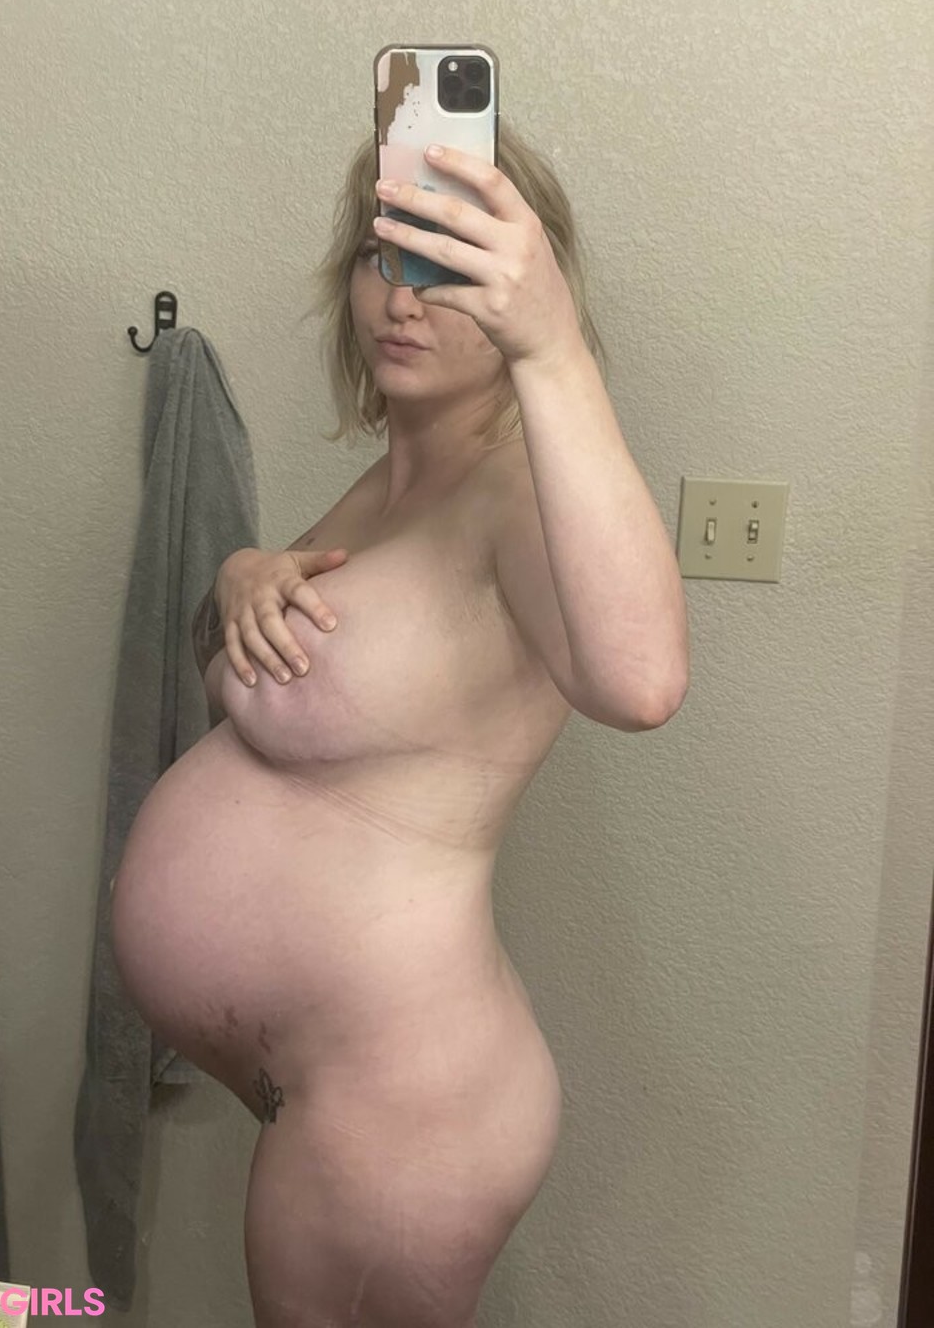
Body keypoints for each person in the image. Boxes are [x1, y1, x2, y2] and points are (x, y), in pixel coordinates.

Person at [110, 124, 689, 1328]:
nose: (403, 298)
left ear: (523, 288)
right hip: (341, 1087)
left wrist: (556, 347)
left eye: (450, 265)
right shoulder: (387, 489)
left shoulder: (518, 494)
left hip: (411, 1101)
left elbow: (641, 683)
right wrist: (238, 576)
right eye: (385, 255)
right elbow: (258, 685)